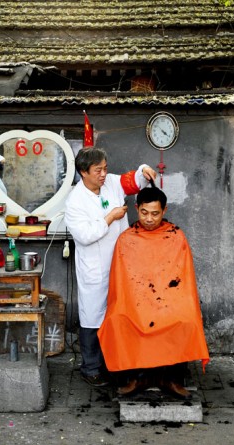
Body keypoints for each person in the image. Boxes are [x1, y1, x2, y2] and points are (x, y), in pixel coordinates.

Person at [98, 187, 209, 399]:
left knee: (184, 320)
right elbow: (122, 285)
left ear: (164, 210)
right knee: (120, 319)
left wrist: (166, 304)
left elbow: (183, 281)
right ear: (137, 209)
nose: (149, 219)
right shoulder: (126, 239)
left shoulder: (176, 236)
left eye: (155, 213)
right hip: (135, 303)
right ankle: (138, 377)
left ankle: (171, 378)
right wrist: (137, 305)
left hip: (170, 301)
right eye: (144, 213)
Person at [64, 147, 157, 387]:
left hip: (121, 263)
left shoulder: (112, 183)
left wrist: (144, 170)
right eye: (98, 170)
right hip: (94, 268)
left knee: (119, 315)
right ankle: (91, 367)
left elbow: (132, 181)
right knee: (93, 318)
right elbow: (85, 235)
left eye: (105, 168)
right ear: (84, 172)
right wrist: (110, 218)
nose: (104, 174)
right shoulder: (75, 201)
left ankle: (115, 364)